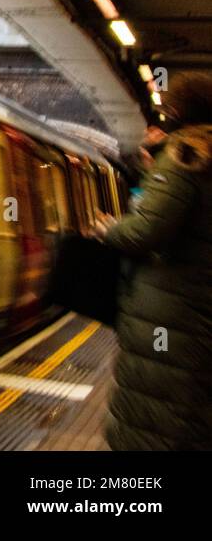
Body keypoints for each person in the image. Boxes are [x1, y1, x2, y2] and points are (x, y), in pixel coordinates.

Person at [90, 72, 212, 450]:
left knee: (155, 415)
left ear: (176, 111)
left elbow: (146, 231)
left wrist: (108, 229)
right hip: (195, 310)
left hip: (172, 313)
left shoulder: (185, 157)